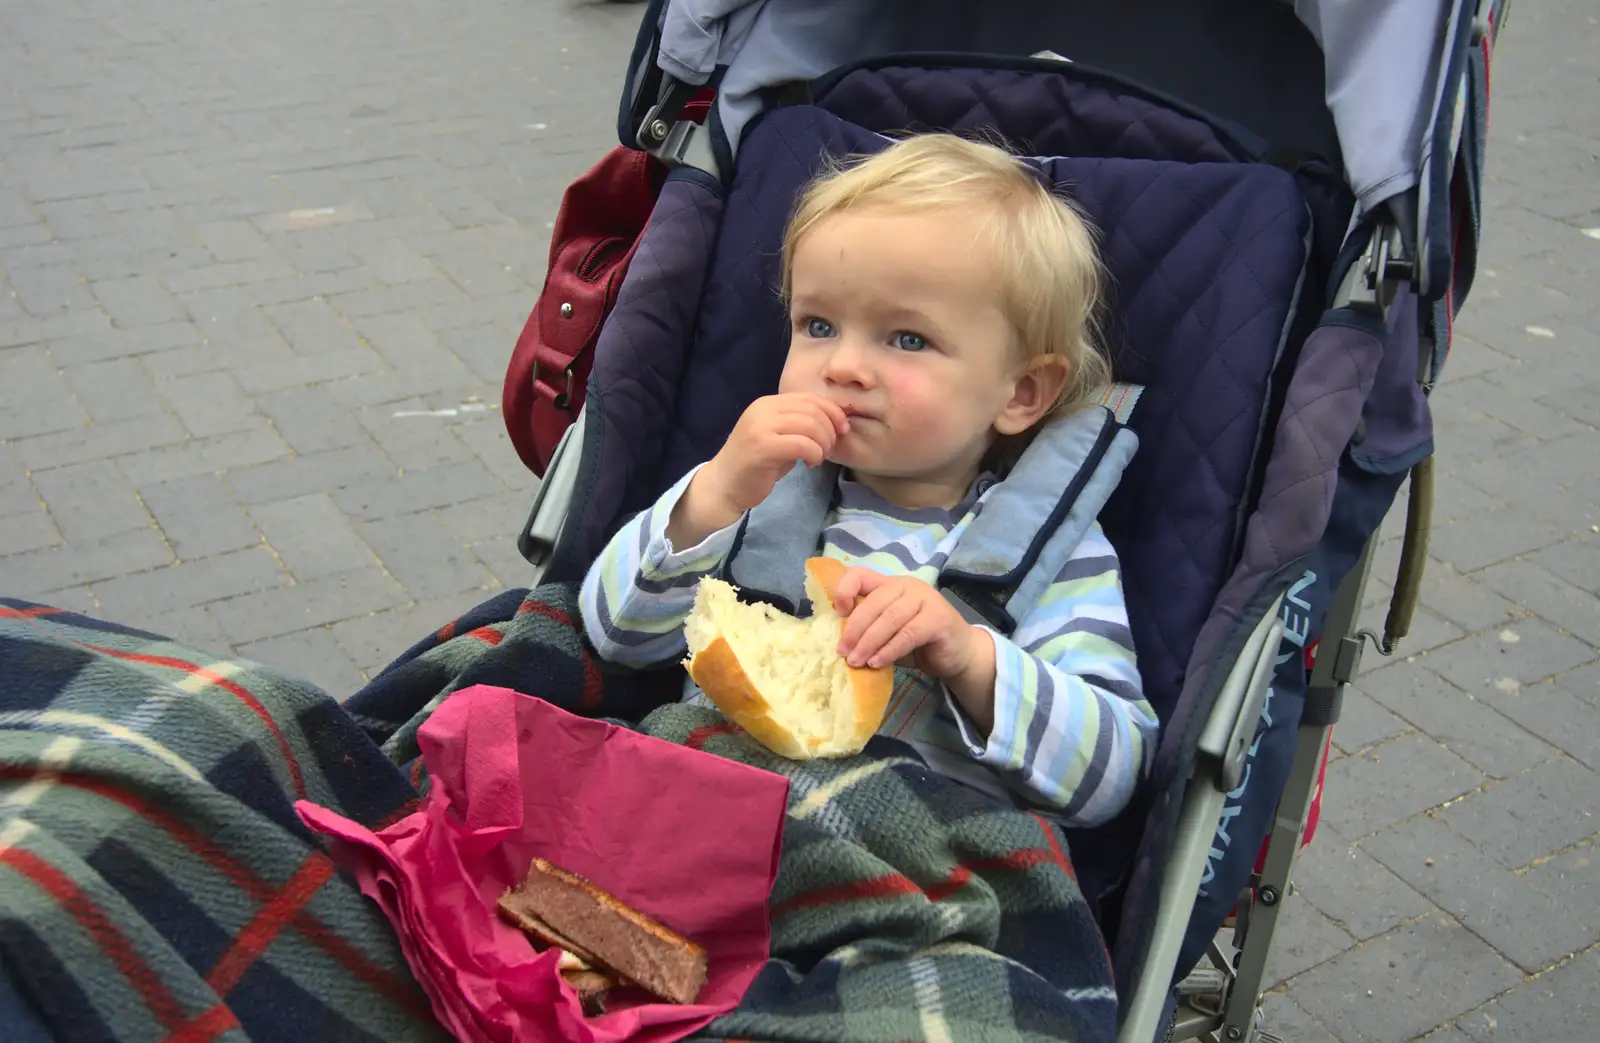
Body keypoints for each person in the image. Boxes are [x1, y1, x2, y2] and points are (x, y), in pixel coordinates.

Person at [580, 133, 1156, 827]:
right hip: (707, 815)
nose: (843, 365)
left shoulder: (1054, 557)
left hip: (905, 852)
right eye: (817, 324)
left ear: (1021, 393)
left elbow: (1114, 771)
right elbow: (613, 636)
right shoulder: (757, 491)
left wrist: (969, 657)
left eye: (906, 338)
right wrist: (712, 498)